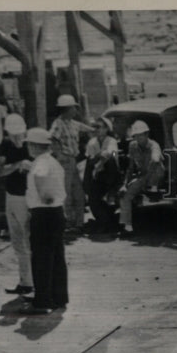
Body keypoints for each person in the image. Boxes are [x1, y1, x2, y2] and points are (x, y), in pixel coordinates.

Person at [23, 127, 68, 314]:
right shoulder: (52, 161)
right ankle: (58, 297)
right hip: (56, 212)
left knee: (41, 258)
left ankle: (42, 301)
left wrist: (44, 195)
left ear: (34, 146)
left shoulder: (40, 163)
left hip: (44, 213)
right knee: (56, 257)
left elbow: (41, 179)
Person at [0, 113, 33, 295]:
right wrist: (17, 165)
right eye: (12, 135)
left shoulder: (31, 146)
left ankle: (33, 281)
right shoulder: (5, 145)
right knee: (17, 241)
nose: (15, 138)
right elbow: (0, 171)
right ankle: (25, 281)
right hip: (11, 196)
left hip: (27, 197)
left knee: (28, 240)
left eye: (18, 135)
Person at [49, 94, 93, 232]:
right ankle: (68, 223)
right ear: (67, 109)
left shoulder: (73, 123)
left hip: (73, 160)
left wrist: (98, 129)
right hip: (64, 161)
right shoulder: (58, 123)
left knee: (78, 193)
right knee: (66, 193)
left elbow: (87, 128)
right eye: (73, 108)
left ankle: (78, 223)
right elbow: (52, 139)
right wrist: (59, 155)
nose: (75, 110)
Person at [118, 119, 165, 236]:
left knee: (157, 164)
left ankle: (153, 189)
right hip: (143, 177)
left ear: (146, 134)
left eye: (141, 135)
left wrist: (150, 173)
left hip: (156, 176)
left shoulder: (154, 145)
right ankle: (127, 227)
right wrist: (124, 185)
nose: (138, 138)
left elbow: (155, 159)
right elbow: (130, 167)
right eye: (136, 136)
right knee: (125, 195)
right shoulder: (132, 146)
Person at [83, 117, 120, 233]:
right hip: (98, 174)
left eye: (99, 127)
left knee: (111, 159)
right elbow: (91, 158)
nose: (96, 130)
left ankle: (111, 191)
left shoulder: (112, 141)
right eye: (95, 127)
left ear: (106, 129)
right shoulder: (92, 142)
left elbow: (112, 153)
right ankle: (103, 221)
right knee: (93, 199)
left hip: (110, 173)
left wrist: (101, 159)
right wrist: (98, 158)